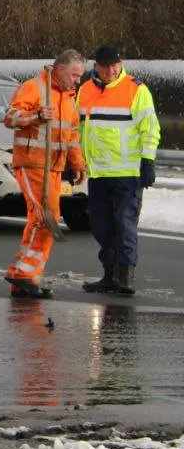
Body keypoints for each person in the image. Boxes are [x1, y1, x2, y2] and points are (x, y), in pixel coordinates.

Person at [2, 49, 88, 299]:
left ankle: (24, 275)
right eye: (74, 75)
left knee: (43, 218)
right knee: (45, 217)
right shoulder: (34, 87)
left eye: (79, 76)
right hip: (33, 162)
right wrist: (36, 116)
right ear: (59, 69)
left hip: (54, 166)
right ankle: (24, 275)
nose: (77, 80)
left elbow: (71, 136)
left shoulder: (69, 98)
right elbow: (10, 118)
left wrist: (78, 164)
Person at [77, 43, 160, 297]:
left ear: (121, 63)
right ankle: (109, 275)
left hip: (127, 173)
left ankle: (124, 277)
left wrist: (147, 161)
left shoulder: (137, 90)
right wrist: (76, 161)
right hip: (99, 173)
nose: (111, 70)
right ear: (96, 67)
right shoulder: (85, 90)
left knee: (124, 224)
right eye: (106, 66)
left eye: (115, 65)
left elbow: (150, 128)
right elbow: (79, 131)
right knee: (101, 225)